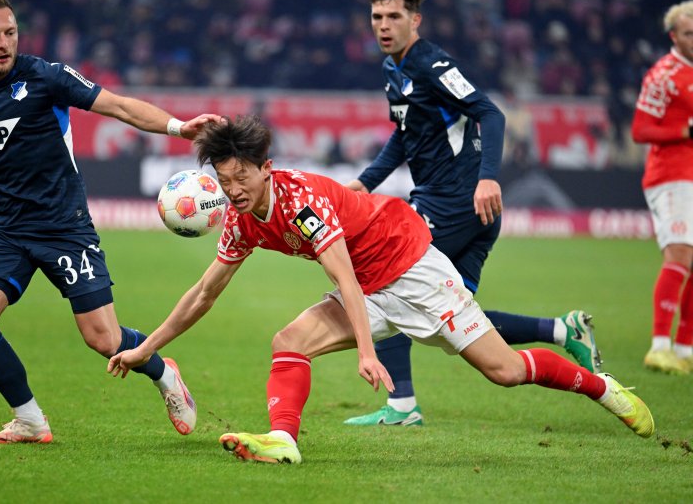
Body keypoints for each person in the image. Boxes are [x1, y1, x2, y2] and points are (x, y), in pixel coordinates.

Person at [107, 115, 653, 465]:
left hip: (410, 266)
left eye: (241, 178)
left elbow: (343, 277)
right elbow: (204, 293)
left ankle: (601, 388)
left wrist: (367, 353)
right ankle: (284, 441)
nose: (234, 190)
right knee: (288, 342)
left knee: (504, 371)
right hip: (368, 285)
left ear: (266, 169)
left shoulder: (301, 201)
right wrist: (146, 348)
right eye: (224, 182)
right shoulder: (239, 220)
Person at [0, 0, 220, 444]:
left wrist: (178, 127)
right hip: (3, 230)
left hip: (65, 227)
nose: (4, 43)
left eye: (10, 33)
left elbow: (119, 105)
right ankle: (30, 420)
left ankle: (164, 372)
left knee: (104, 340)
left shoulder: (46, 77)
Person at [343, 0, 601, 427]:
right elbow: (404, 137)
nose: (383, 26)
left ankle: (402, 405)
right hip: (457, 207)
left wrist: (488, 179)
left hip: (456, 203)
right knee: (457, 322)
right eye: (377, 17)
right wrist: (364, 183)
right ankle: (563, 330)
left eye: (394, 17)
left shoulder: (432, 64)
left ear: (415, 20)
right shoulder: (392, 68)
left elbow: (490, 112)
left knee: (383, 275)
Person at [631, 0, 693, 375]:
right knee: (679, 256)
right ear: (674, 37)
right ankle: (659, 346)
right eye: (689, 33)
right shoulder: (663, 76)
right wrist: (686, 130)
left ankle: (685, 349)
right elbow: (640, 130)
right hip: (671, 176)